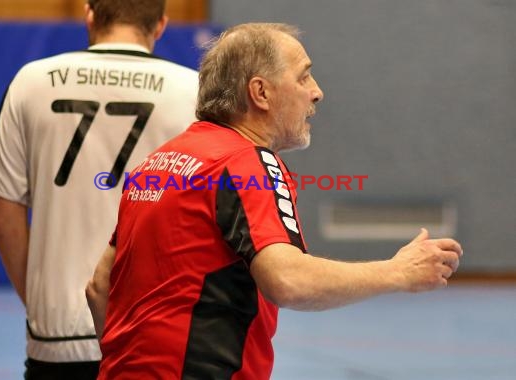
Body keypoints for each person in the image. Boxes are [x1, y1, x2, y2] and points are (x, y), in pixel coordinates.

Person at [86, 23, 463, 379]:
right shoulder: (246, 161)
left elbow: (100, 287)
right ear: (260, 92)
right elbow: (287, 280)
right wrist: (399, 272)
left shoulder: (157, 163)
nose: (317, 91)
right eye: (303, 76)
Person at [0, 0, 199, 378]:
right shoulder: (192, 91)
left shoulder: (32, 81)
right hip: (154, 334)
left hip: (57, 335)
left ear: (89, 14)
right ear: (160, 25)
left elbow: (3, 218)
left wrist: (42, 303)